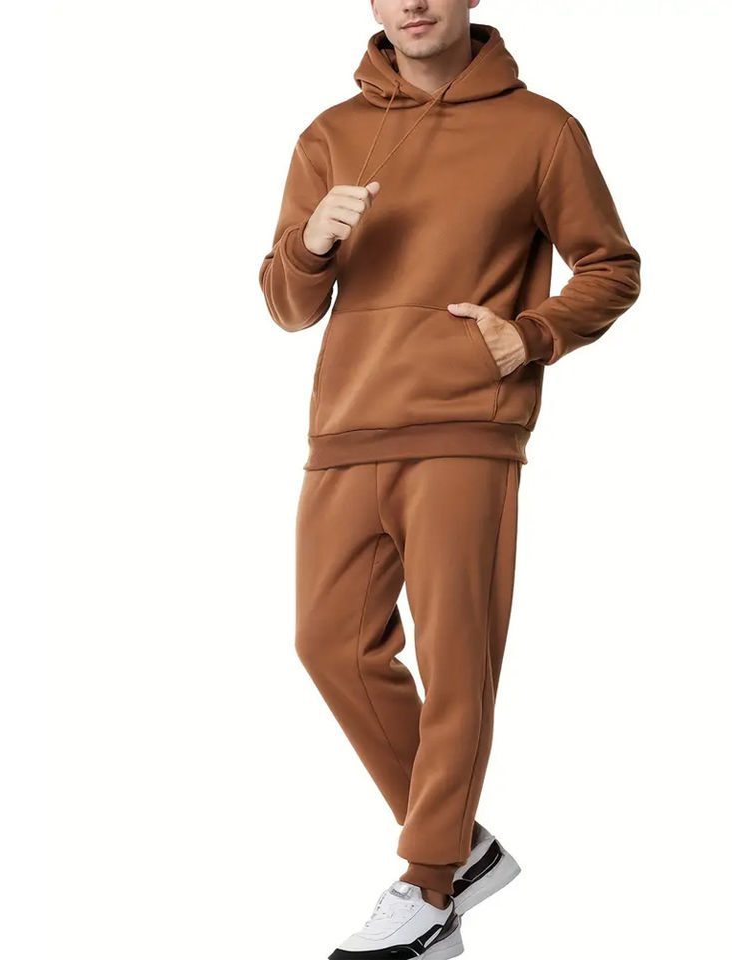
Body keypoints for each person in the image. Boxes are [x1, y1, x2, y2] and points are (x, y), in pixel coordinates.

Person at [258, 2, 640, 956]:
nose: (414, 3)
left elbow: (611, 266)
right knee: (329, 645)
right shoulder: (330, 134)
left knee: (457, 658)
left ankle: (429, 888)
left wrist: (534, 334)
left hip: (468, 424)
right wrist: (310, 245)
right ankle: (463, 849)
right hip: (346, 423)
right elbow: (286, 305)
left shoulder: (541, 130)